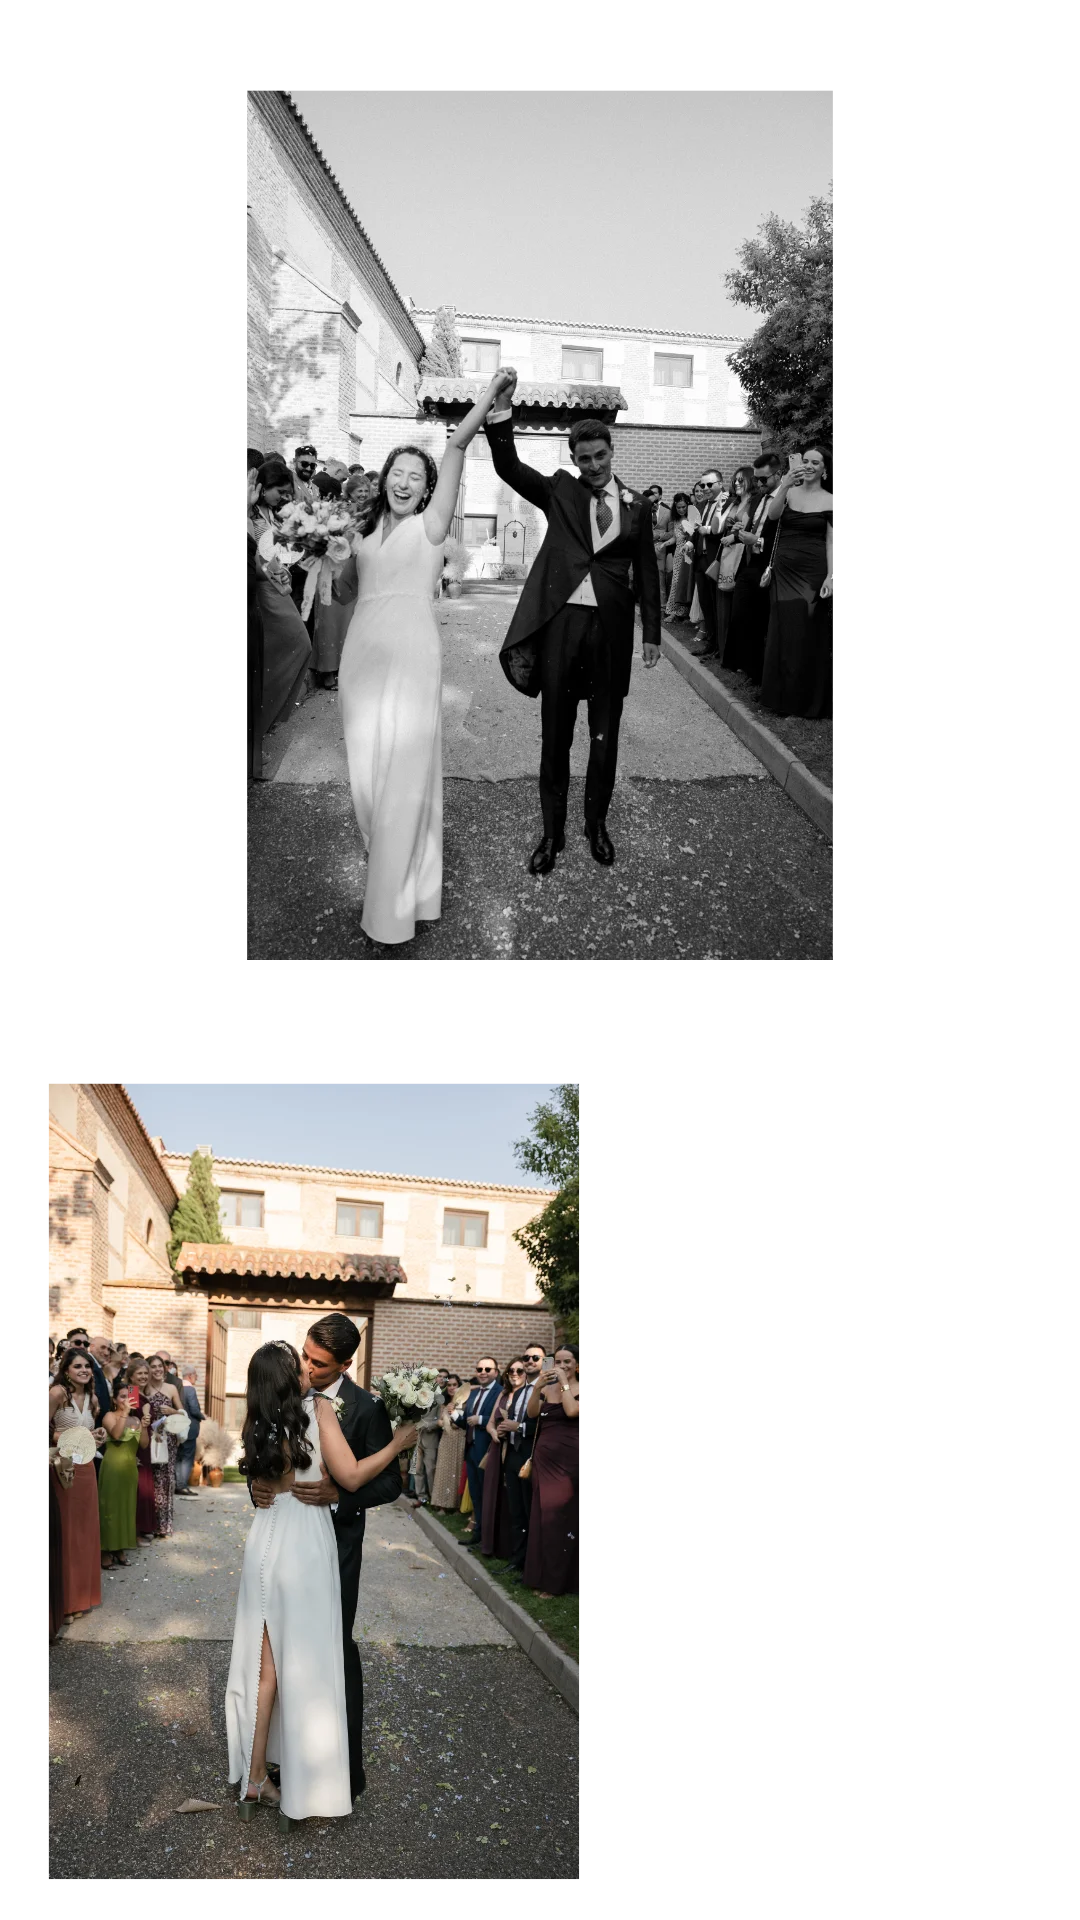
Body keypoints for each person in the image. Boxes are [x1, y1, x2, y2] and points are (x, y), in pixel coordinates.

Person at [332, 380, 501, 947]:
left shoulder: (431, 528)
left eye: (416, 478)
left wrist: (492, 393)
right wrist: (323, 554)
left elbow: (456, 445)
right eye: (397, 474)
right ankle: (404, 877)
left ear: (429, 490)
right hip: (360, 661)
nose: (404, 483)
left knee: (404, 774)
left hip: (412, 660)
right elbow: (345, 594)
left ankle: (390, 910)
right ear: (384, 479)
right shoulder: (359, 534)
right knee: (366, 776)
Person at [227, 1337, 418, 1820]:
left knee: (265, 1668)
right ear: (290, 1377)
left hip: (265, 1540)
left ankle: (254, 1778)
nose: (308, 1371)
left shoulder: (256, 1419)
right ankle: (307, 1778)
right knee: (308, 1660)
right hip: (305, 1545)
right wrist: (397, 1445)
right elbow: (351, 1477)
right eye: (300, 1365)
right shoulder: (318, 1410)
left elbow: (265, 1477)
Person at [486, 372, 663, 874]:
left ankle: (596, 825)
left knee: (604, 734)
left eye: (600, 456)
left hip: (610, 632)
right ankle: (552, 832)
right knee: (556, 735)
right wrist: (502, 410)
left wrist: (651, 634)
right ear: (574, 459)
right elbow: (509, 467)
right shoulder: (561, 491)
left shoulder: (638, 507)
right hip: (562, 627)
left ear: (612, 450)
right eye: (584, 459)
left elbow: (648, 573)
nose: (594, 466)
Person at [759, 445, 838, 718]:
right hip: (784, 571)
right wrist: (784, 485)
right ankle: (779, 697)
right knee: (782, 629)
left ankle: (804, 700)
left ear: (825, 469)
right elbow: (772, 516)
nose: (809, 465)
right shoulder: (790, 492)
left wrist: (832, 576)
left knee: (805, 631)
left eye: (815, 462)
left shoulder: (833, 501)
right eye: (805, 460)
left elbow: (834, 543)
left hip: (813, 572)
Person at [247, 459, 315, 736]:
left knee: (294, 648)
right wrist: (273, 570)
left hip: (276, 586)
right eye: (281, 491)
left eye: (288, 492)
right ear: (264, 488)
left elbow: (276, 554)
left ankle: (266, 716)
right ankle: (258, 722)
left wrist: (283, 568)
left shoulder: (273, 515)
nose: (285, 496)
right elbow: (253, 559)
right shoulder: (249, 516)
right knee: (290, 647)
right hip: (262, 592)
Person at [48, 1346, 106, 1624]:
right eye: (77, 1366)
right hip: (63, 1469)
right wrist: (68, 1436)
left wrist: (97, 1435)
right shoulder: (57, 1393)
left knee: (86, 1533)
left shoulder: (93, 1398)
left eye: (87, 1366)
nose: (84, 1370)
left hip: (87, 1469)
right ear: (66, 1370)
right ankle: (66, 1602)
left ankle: (82, 1597)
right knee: (68, 1533)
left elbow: (86, 1433)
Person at [522, 1345, 583, 1599]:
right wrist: (538, 1387)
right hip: (544, 1462)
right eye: (558, 1361)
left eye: (568, 1362)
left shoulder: (581, 1389)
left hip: (570, 1463)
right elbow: (531, 1414)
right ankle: (539, 1576)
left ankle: (557, 1583)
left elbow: (572, 1411)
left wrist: (564, 1384)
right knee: (542, 1517)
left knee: (559, 1519)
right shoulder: (546, 1388)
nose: (562, 1365)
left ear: (577, 1365)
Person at [723, 452, 783, 682]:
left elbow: (783, 537)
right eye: (756, 479)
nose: (759, 484)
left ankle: (759, 674)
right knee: (741, 615)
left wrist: (756, 540)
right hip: (749, 564)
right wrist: (738, 531)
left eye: (763, 479)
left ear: (778, 474)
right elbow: (750, 529)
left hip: (770, 566)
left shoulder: (786, 499)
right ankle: (747, 667)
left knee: (761, 621)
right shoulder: (758, 499)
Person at [499, 1342, 545, 1577]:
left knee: (530, 1511)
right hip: (513, 1455)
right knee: (516, 1511)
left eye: (535, 1358)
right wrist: (504, 1430)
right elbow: (513, 1421)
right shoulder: (519, 1392)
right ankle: (517, 1560)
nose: (529, 1361)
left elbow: (548, 1425)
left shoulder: (547, 1389)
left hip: (533, 1456)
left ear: (545, 1362)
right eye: (526, 1357)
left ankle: (531, 1563)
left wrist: (520, 1427)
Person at [451, 1358, 503, 1548]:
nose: (483, 1372)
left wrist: (481, 1419)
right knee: (476, 1494)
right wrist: (454, 1414)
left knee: (488, 1494)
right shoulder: (473, 1394)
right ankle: (478, 1534)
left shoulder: (500, 1392)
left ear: (496, 1372)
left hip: (488, 1450)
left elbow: (502, 1418)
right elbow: (466, 1421)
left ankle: (489, 1538)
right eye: (480, 1369)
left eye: (488, 1369)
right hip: (472, 1449)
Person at [479, 1360, 525, 1559]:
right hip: (498, 1448)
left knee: (511, 1501)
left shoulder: (530, 1394)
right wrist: (494, 1433)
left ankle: (510, 1549)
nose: (515, 1373)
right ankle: (492, 1544)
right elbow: (490, 1423)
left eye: (519, 1370)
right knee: (493, 1496)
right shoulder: (503, 1394)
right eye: (511, 1370)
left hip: (517, 1450)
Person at [711, 467, 756, 667]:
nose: (736, 483)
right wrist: (721, 510)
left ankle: (738, 658)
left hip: (744, 557)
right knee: (723, 607)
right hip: (727, 556)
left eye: (741, 480)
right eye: (735, 480)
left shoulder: (755, 502)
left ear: (750, 480)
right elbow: (717, 528)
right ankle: (724, 654)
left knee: (738, 610)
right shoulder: (733, 502)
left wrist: (736, 533)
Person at [98, 1384, 145, 1568]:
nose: (127, 1399)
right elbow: (117, 1435)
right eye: (122, 1396)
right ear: (115, 1400)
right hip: (112, 1468)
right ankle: (104, 1549)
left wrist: (144, 1425)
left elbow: (143, 1444)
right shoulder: (109, 1416)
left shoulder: (136, 1419)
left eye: (129, 1396)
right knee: (109, 1509)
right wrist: (125, 1412)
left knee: (126, 1509)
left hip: (130, 1470)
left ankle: (119, 1548)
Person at [688, 470, 728, 659]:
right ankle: (711, 643)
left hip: (716, 559)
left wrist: (709, 530)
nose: (705, 488)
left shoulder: (728, 502)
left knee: (716, 603)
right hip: (700, 559)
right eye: (702, 485)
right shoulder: (702, 504)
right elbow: (696, 529)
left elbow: (724, 528)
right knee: (705, 603)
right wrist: (690, 542)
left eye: (709, 484)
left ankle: (720, 646)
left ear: (720, 483)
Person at [145, 1356, 185, 1538]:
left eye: (160, 1366)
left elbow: (183, 1414)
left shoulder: (171, 1388)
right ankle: (149, 1524)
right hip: (148, 1438)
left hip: (167, 1440)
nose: (157, 1370)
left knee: (166, 1480)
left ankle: (164, 1524)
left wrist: (172, 1411)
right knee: (150, 1480)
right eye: (153, 1367)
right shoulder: (142, 1388)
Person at [125, 1360, 157, 1544]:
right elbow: (131, 1422)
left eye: (146, 1373)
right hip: (136, 1446)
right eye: (139, 1374)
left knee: (144, 1486)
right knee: (139, 1488)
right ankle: (137, 1530)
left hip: (145, 1443)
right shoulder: (132, 1393)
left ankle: (143, 1527)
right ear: (131, 1376)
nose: (144, 1376)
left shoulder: (142, 1394)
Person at [429, 1376, 467, 1510]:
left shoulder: (464, 1403)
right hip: (446, 1439)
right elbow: (439, 1420)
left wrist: (448, 1421)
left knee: (456, 1471)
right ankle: (441, 1504)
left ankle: (455, 1505)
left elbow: (460, 1423)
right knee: (443, 1470)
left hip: (459, 1440)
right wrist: (441, 1422)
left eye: (454, 1385)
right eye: (449, 1385)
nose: (451, 1388)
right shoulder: (444, 1403)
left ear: (459, 1386)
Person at [409, 1371, 444, 1508]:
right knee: (417, 1469)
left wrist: (427, 1425)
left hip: (430, 1439)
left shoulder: (439, 1398)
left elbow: (440, 1421)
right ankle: (421, 1497)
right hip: (416, 1439)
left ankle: (434, 1499)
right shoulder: (415, 1397)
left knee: (431, 1470)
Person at [664, 493, 695, 617]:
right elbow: (675, 538)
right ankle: (674, 610)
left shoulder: (690, 519)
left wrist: (688, 530)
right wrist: (665, 543)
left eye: (683, 507)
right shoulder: (676, 520)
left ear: (688, 506)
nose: (681, 509)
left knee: (682, 581)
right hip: (678, 554)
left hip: (687, 554)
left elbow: (692, 537)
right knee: (675, 581)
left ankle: (681, 611)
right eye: (678, 507)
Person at [175, 1367, 204, 1496]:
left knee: (178, 1457)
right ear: (190, 1375)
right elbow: (194, 1409)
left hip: (178, 1427)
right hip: (189, 1428)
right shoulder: (190, 1390)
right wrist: (202, 1416)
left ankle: (177, 1484)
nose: (196, 1377)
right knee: (187, 1457)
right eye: (196, 1375)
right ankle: (182, 1486)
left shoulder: (177, 1388)